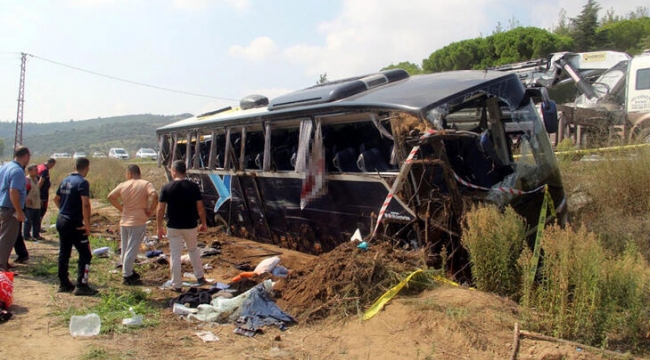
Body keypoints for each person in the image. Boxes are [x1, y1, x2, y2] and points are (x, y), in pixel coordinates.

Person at [156, 160, 206, 292]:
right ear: (185, 171)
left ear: (173, 171)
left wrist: (159, 227)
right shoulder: (193, 187)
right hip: (190, 225)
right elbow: (200, 207)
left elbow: (160, 209)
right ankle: (200, 277)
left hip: (173, 226)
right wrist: (204, 223)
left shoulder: (166, 187)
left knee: (175, 255)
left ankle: (177, 285)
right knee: (193, 250)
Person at [107, 164, 158, 285]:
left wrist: (121, 208)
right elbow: (155, 195)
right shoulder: (145, 184)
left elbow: (110, 197)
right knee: (133, 248)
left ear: (129, 173)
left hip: (125, 221)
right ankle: (127, 275)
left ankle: (127, 270)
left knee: (125, 247)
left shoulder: (123, 185)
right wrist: (151, 210)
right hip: (138, 220)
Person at [54, 157, 98, 296]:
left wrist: (64, 210)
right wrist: (87, 225)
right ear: (87, 168)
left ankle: (63, 283)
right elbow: (85, 204)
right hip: (74, 223)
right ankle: (82, 285)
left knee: (64, 251)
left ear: (75, 166)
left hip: (61, 220)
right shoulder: (82, 182)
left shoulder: (65, 180)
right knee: (85, 253)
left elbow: (56, 199)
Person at [0, 146, 30, 271]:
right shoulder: (17, 171)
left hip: (3, 205)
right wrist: (19, 211)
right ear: (25, 156)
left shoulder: (5, 167)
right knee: (7, 237)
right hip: (10, 208)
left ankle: (4, 261)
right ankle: (1, 265)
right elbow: (13, 191)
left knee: (5, 235)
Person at [36, 158, 56, 238]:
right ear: (51, 163)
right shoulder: (45, 170)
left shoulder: (39, 166)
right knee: (42, 210)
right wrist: (36, 192)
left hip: (39, 192)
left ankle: (36, 227)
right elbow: (41, 182)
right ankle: (38, 227)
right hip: (42, 193)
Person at [24, 164, 42, 240]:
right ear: (30, 171)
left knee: (37, 220)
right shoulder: (27, 180)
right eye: (35, 170)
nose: (37, 172)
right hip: (29, 204)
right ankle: (27, 235)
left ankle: (36, 234)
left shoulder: (36, 179)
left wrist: (40, 200)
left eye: (37, 170)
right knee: (28, 220)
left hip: (36, 203)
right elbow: (23, 191)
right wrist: (25, 199)